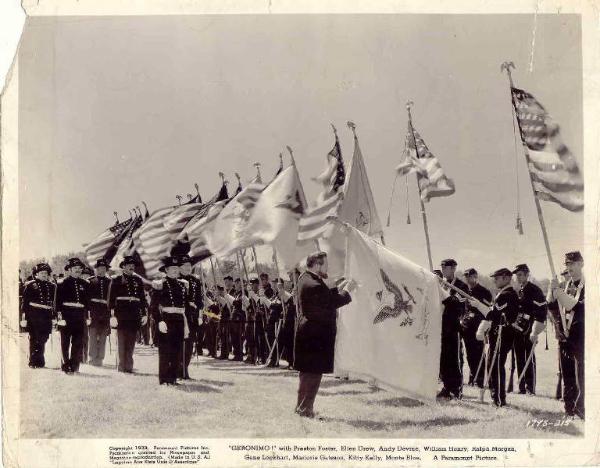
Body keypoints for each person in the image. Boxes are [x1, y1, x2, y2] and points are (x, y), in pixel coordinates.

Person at [294, 252, 355, 418]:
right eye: (326, 264)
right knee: (313, 373)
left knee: (307, 373)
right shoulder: (313, 284)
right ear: (317, 265)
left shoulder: (306, 279)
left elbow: (327, 298)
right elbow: (332, 302)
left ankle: (302, 407)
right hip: (315, 335)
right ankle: (305, 409)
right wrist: (347, 290)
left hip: (310, 334)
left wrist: (335, 285)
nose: (328, 268)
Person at [474, 268, 519, 407]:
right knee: (491, 366)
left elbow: (493, 314)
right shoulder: (502, 293)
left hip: (502, 335)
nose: (494, 280)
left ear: (506, 278)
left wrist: (478, 305)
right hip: (496, 334)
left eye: (497, 278)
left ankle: (499, 399)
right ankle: (495, 397)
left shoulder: (508, 294)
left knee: (496, 367)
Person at [548, 251, 584, 419]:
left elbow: (577, 307)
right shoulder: (565, 285)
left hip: (581, 335)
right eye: (567, 264)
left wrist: (559, 293)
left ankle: (582, 408)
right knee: (567, 374)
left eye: (572, 264)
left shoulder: (589, 284)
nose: (569, 267)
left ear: (581, 264)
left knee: (581, 374)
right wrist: (551, 290)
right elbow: (551, 306)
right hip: (565, 336)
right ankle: (569, 408)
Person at [151, 256, 189, 385]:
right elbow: (153, 306)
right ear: (166, 270)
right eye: (172, 268)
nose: (174, 270)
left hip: (179, 320)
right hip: (166, 320)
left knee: (177, 351)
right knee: (165, 351)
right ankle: (163, 379)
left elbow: (185, 307)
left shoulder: (182, 285)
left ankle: (172, 378)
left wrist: (186, 324)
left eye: (176, 268)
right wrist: (159, 321)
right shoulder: (160, 284)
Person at [512, 264, 547, 395]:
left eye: (520, 274)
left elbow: (541, 312)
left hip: (530, 328)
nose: (518, 277)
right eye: (517, 275)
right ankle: (521, 387)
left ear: (527, 275)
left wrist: (535, 331)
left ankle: (530, 388)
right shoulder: (519, 289)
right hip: (518, 328)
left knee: (529, 358)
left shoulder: (535, 290)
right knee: (519, 357)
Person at [108, 256, 147, 373]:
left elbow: (142, 299)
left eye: (133, 265)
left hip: (134, 315)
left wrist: (144, 314)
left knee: (131, 341)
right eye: (129, 265)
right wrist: (112, 315)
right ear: (123, 266)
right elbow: (110, 299)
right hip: (121, 314)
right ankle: (121, 367)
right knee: (121, 341)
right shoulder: (116, 279)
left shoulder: (138, 281)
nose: (131, 267)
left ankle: (129, 367)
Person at [436, 259, 469, 400]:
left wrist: (444, 294)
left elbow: (458, 304)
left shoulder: (461, 286)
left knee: (455, 359)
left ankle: (457, 389)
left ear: (453, 268)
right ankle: (446, 386)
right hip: (441, 326)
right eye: (442, 267)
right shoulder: (440, 283)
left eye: (446, 267)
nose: (443, 270)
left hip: (454, 326)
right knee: (443, 359)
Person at [56, 257, 90, 374]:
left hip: (79, 316)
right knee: (64, 343)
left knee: (78, 343)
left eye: (79, 268)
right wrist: (59, 317)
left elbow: (87, 303)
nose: (78, 270)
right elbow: (58, 302)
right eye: (75, 268)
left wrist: (88, 317)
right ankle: (65, 366)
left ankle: (75, 366)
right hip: (66, 315)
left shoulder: (85, 283)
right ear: (69, 270)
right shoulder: (62, 283)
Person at [20, 263, 56, 368]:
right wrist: (24, 318)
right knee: (34, 338)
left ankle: (39, 359)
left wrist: (53, 316)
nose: (44, 275)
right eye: (42, 273)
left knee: (44, 338)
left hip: (46, 316)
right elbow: (25, 303)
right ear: (36, 274)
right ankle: (34, 361)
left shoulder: (51, 286)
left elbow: (53, 303)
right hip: (34, 315)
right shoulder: (31, 285)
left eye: (46, 273)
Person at [461, 268, 492, 388]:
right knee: (469, 354)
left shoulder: (484, 292)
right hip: (467, 326)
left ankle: (479, 379)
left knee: (479, 353)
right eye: (466, 277)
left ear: (475, 276)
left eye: (470, 276)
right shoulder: (465, 291)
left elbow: (486, 310)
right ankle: (472, 377)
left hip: (479, 326)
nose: (468, 279)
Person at [179, 256, 203, 379]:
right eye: (185, 266)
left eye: (189, 266)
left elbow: (199, 300)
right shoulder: (176, 279)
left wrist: (200, 315)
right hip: (179, 316)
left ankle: (185, 369)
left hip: (192, 317)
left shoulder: (195, 280)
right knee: (178, 344)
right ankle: (178, 369)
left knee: (189, 344)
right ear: (180, 267)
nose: (188, 268)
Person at [87, 259, 112, 366]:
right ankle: (92, 358)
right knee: (92, 335)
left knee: (103, 336)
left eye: (104, 268)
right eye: (100, 268)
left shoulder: (110, 282)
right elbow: (87, 298)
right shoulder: (90, 281)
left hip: (105, 312)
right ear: (96, 269)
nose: (102, 270)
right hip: (93, 312)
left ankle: (100, 358)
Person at [229, 278, 248, 362]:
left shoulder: (244, 293)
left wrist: (232, 300)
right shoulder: (237, 293)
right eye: (235, 283)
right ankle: (236, 353)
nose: (235, 285)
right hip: (234, 317)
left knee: (238, 336)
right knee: (234, 337)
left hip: (240, 317)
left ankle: (239, 355)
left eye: (237, 283)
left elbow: (239, 303)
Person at [243, 278, 260, 364]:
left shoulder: (258, 294)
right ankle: (250, 355)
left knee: (254, 339)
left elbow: (258, 305)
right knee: (248, 337)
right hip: (249, 318)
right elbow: (249, 307)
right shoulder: (250, 294)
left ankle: (255, 357)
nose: (252, 285)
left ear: (257, 284)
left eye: (253, 284)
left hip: (255, 319)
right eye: (251, 284)